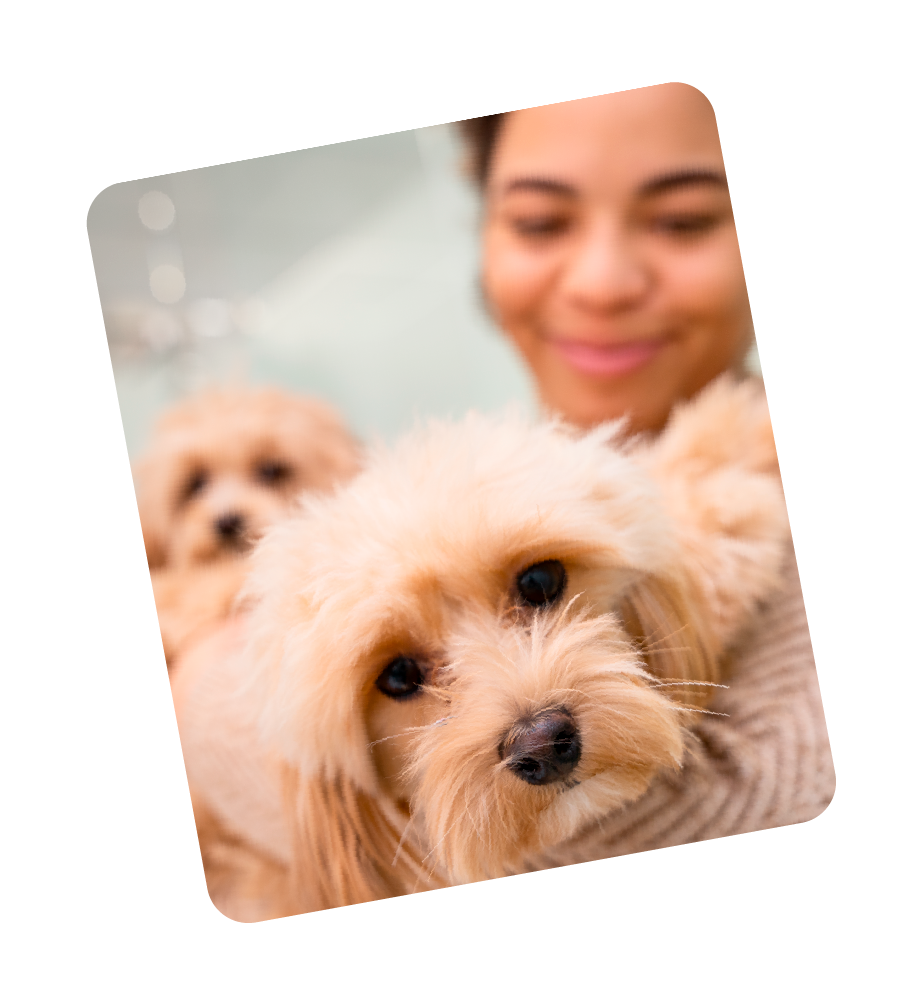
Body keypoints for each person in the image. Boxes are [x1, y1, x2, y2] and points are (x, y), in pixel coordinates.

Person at [457, 85, 835, 858]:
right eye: (539, 223)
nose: (601, 283)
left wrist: (200, 699)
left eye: (683, 220)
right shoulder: (456, 487)